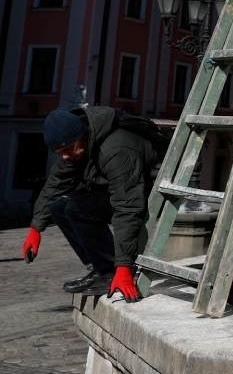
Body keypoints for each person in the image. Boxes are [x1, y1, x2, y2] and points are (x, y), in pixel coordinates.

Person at [22, 107, 163, 302]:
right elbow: (55, 184)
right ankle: (100, 268)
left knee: (78, 208)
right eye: (59, 152)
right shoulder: (75, 145)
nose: (64, 156)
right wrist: (36, 228)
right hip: (118, 190)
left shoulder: (116, 149)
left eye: (67, 150)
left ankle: (111, 270)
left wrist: (123, 267)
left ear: (82, 135)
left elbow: (128, 206)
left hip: (145, 193)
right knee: (59, 208)